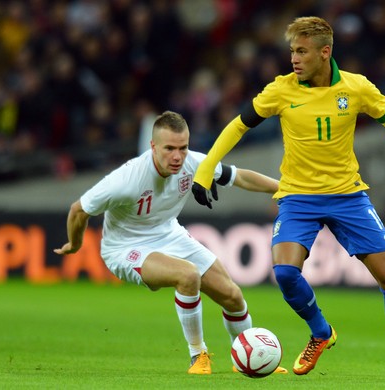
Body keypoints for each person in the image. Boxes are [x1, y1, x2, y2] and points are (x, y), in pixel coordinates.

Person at [192, 16, 385, 381]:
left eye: (302, 52)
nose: (294, 59)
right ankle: (321, 332)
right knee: (286, 272)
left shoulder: (356, 88)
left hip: (348, 197)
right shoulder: (280, 90)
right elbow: (238, 124)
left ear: (325, 52)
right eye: (292, 51)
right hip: (298, 197)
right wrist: (205, 169)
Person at [54, 110, 287, 375]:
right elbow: (78, 210)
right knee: (187, 275)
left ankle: (245, 356)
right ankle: (197, 354)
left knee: (232, 295)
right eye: (169, 149)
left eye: (183, 148)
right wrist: (74, 244)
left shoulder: (192, 163)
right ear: (153, 146)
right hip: (126, 248)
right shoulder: (125, 180)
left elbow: (240, 177)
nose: (177, 156)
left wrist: (284, 187)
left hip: (168, 234)